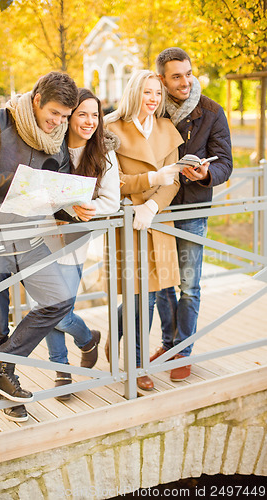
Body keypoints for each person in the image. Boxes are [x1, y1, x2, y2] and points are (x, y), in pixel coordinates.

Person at [0, 71, 83, 422]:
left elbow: (53, 191)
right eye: (54, 114)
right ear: (36, 100)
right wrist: (28, 185)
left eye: (64, 116)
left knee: (59, 299)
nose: (59, 123)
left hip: (28, 237)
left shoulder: (56, 139)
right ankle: (9, 392)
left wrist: (71, 207)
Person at [150, 48, 233, 381]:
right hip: (157, 207)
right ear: (161, 79)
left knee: (190, 285)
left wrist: (207, 175)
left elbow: (225, 161)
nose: (185, 81)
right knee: (161, 285)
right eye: (176, 76)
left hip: (194, 206)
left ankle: (183, 351)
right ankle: (168, 344)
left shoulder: (212, 110)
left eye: (188, 73)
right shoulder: (151, 107)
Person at [105, 70, 184, 390]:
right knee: (141, 297)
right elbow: (112, 181)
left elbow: (174, 179)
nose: (152, 99)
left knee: (154, 293)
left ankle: (118, 334)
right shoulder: (111, 128)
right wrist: (150, 183)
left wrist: (152, 206)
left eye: (157, 94)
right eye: (147, 92)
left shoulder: (167, 128)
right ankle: (137, 367)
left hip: (158, 220)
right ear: (134, 92)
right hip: (128, 222)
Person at [45, 88, 121, 400]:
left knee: (58, 311)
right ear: (69, 116)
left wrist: (85, 210)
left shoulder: (104, 153)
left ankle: (87, 340)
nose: (89, 121)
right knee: (44, 306)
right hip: (42, 236)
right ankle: (62, 370)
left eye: (95, 115)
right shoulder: (50, 148)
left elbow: (111, 201)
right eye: (82, 114)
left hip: (74, 238)